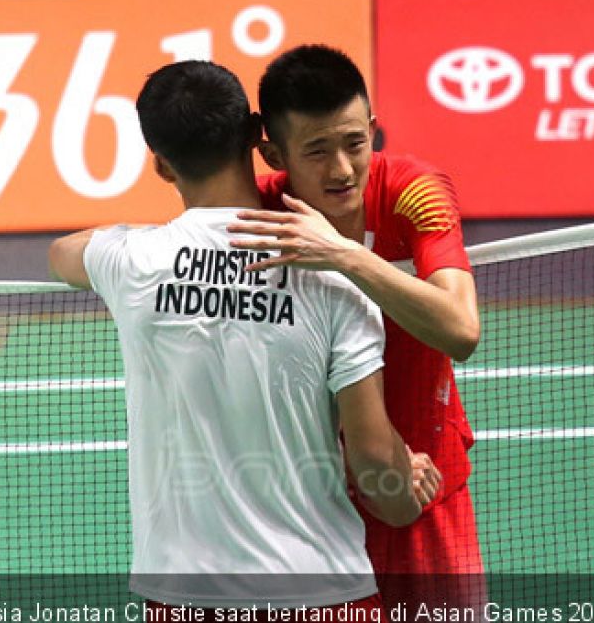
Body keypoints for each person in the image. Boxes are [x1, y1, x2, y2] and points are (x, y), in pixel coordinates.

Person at [48, 60, 437, 615]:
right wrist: (404, 491)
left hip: (182, 595)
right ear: (258, 137)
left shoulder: (129, 261)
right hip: (323, 591)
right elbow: (375, 458)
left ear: (161, 166)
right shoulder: (335, 278)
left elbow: (61, 252)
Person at [227, 45, 483, 608]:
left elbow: (461, 330)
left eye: (354, 143)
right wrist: (361, 462)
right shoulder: (258, 218)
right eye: (316, 151)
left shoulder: (413, 191)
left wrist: (343, 255)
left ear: (372, 129)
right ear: (272, 151)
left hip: (426, 489)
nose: (342, 169)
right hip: (314, 508)